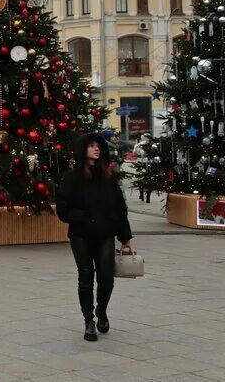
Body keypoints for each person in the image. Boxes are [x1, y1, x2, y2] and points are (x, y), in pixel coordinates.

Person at [56, 133, 135, 343]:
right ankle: (88, 320)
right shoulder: (72, 178)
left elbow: (120, 208)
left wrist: (125, 236)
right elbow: (63, 208)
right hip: (81, 234)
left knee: (106, 276)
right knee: (85, 275)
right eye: (91, 146)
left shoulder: (107, 178)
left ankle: (102, 310)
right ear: (84, 150)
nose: (96, 149)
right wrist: (82, 217)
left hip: (105, 233)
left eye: (98, 146)